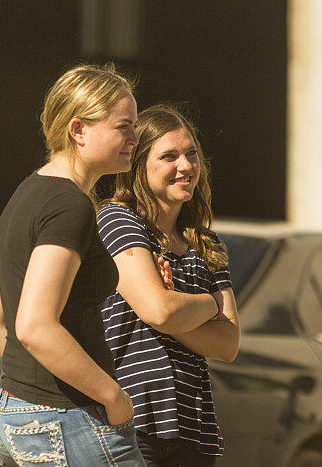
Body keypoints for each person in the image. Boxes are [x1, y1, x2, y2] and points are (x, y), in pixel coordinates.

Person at [0, 64, 146, 465]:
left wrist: (33, 381)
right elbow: (34, 326)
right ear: (78, 130)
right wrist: (112, 396)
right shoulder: (69, 205)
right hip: (65, 421)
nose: (135, 138)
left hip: (13, 413)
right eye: (124, 126)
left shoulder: (29, 191)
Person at [97, 104, 240, 466]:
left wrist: (178, 306)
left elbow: (229, 343)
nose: (186, 166)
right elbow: (159, 311)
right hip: (131, 419)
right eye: (169, 156)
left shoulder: (207, 244)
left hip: (192, 425)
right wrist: (208, 305)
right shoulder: (117, 219)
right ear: (138, 165)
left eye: (191, 154)